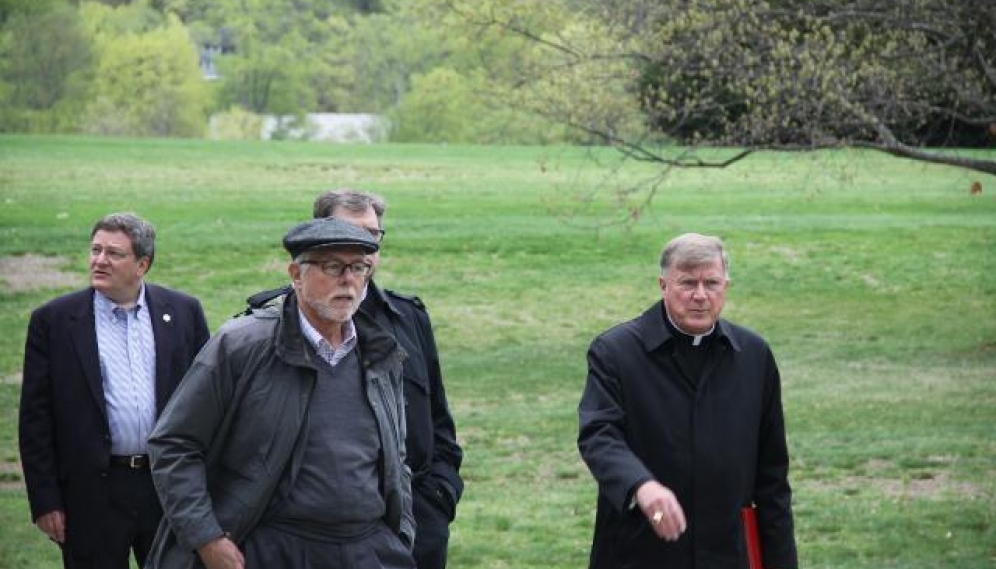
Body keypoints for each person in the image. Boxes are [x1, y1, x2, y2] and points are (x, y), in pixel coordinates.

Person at [145, 217, 415, 569]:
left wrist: (400, 535)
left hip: (366, 549)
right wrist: (207, 538)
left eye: (359, 267)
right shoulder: (241, 345)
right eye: (333, 266)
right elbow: (174, 444)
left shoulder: (380, 352)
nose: (348, 279)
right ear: (295, 274)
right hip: (273, 548)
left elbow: (398, 458)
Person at [246, 189, 463, 569]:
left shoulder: (408, 318)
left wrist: (440, 498)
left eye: (373, 236)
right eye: (349, 233)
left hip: (413, 527)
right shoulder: (270, 326)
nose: (363, 247)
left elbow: (438, 421)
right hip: (308, 540)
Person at [577, 233, 798, 569]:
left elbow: (772, 481)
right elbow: (599, 435)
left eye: (711, 283)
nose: (700, 296)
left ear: (726, 285)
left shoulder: (754, 356)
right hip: (639, 551)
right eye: (687, 283)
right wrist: (642, 486)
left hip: (727, 552)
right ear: (663, 284)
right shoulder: (616, 352)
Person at [18, 212, 210, 569]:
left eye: (113, 253)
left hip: (167, 487)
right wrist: (45, 500)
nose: (99, 261)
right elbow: (35, 419)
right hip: (91, 494)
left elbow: (208, 405)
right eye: (95, 250)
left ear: (142, 264)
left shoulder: (184, 312)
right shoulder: (54, 321)